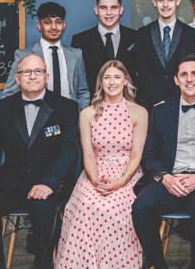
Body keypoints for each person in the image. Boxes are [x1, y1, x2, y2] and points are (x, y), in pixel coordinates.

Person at [0, 54, 79, 269]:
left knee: (45, 210)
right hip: (12, 182)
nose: (32, 76)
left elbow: (68, 151)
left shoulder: (66, 107)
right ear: (17, 79)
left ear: (46, 77)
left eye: (38, 71)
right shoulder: (1, 108)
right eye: (26, 72)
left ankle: (43, 264)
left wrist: (49, 183)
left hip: (50, 182)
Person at [132, 53, 195, 269]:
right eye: (183, 74)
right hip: (171, 179)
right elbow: (149, 156)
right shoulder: (160, 110)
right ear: (176, 80)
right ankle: (159, 265)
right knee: (140, 207)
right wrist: (165, 178)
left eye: (194, 74)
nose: (189, 79)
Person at [56, 60, 148, 268]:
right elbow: (88, 153)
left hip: (128, 173)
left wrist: (121, 181)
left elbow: (136, 154)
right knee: (87, 207)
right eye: (107, 77)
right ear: (100, 82)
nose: (112, 82)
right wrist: (95, 181)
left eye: (117, 77)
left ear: (126, 80)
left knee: (115, 209)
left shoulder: (139, 112)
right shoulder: (87, 113)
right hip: (95, 171)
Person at [4, 1, 91, 109]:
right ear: (39, 26)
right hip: (37, 118)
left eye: (58, 22)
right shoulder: (24, 55)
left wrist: (78, 114)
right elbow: (9, 94)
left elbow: (83, 91)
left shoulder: (76, 54)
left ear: (64, 25)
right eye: (47, 22)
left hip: (70, 118)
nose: (54, 27)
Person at [134, 0, 195, 109]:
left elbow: (189, 70)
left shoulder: (190, 34)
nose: (165, 5)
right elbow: (142, 71)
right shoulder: (143, 33)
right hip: (149, 104)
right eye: (160, 0)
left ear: (177, 1)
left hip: (180, 102)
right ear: (154, 2)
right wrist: (157, 99)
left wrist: (175, 99)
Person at [71, 0, 138, 90]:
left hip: (128, 102)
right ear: (96, 10)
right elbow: (77, 81)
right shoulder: (80, 40)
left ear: (121, 10)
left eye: (114, 7)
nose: (109, 12)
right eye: (103, 8)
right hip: (93, 103)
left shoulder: (136, 37)